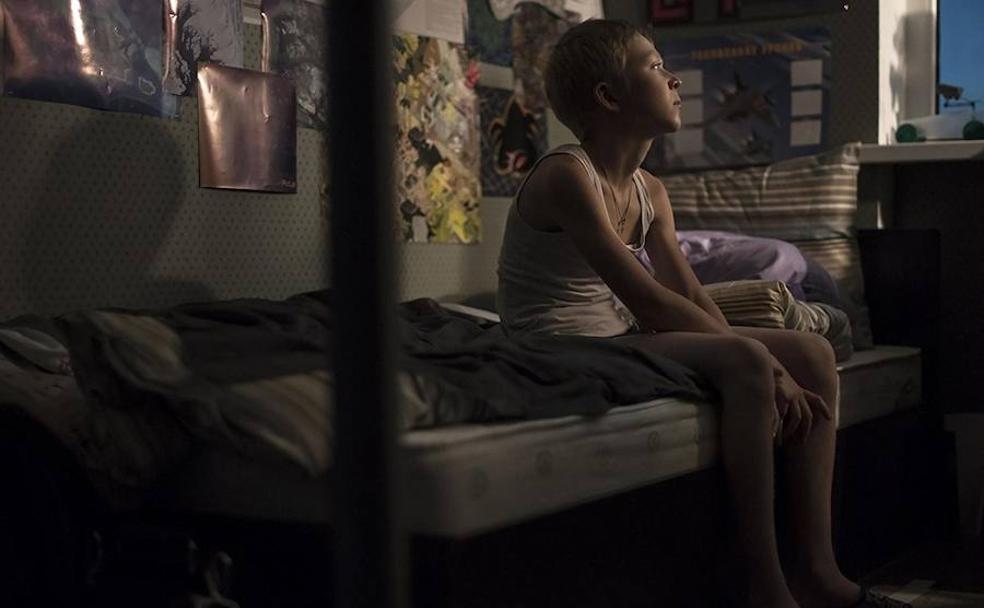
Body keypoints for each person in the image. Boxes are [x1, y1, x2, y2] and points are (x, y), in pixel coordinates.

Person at [496, 19, 909, 608]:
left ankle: (818, 571)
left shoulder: (651, 191)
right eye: (655, 66)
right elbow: (647, 298)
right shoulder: (567, 175)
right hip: (559, 345)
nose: (675, 80)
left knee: (815, 352)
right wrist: (763, 363)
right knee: (747, 360)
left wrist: (774, 356)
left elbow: (687, 291)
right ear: (609, 97)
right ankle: (766, 587)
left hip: (616, 335)